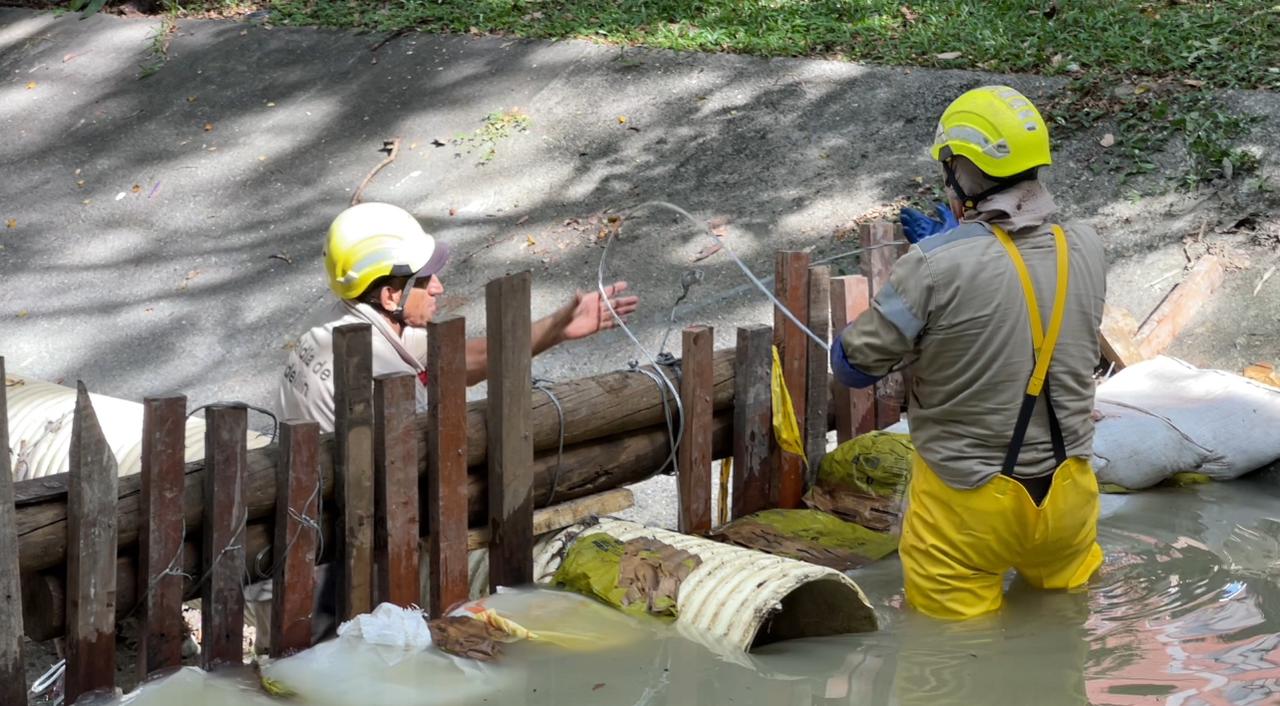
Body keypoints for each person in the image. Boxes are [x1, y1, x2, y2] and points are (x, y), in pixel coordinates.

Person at [830, 85, 1107, 620]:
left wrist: (935, 261)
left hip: (968, 503)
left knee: (951, 668)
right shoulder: (1087, 244)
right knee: (1066, 641)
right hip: (1070, 498)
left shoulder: (935, 265)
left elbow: (855, 367)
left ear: (959, 168)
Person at [277, 201, 640, 431]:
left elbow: (460, 360)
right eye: (425, 280)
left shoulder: (346, 323)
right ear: (390, 296)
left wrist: (556, 329)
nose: (438, 288)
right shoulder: (378, 374)